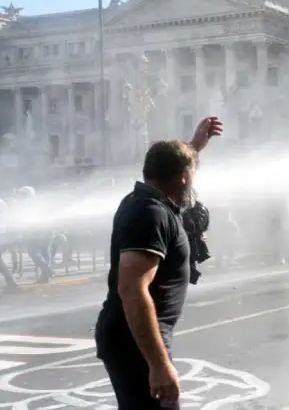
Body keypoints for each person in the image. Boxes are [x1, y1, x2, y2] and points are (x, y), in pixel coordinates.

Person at [94, 116, 223, 410]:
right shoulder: (150, 214)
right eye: (192, 172)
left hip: (136, 338)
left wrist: (194, 147)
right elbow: (132, 290)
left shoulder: (152, 201)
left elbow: (175, 168)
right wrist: (159, 364)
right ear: (182, 177)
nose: (193, 179)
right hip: (134, 342)